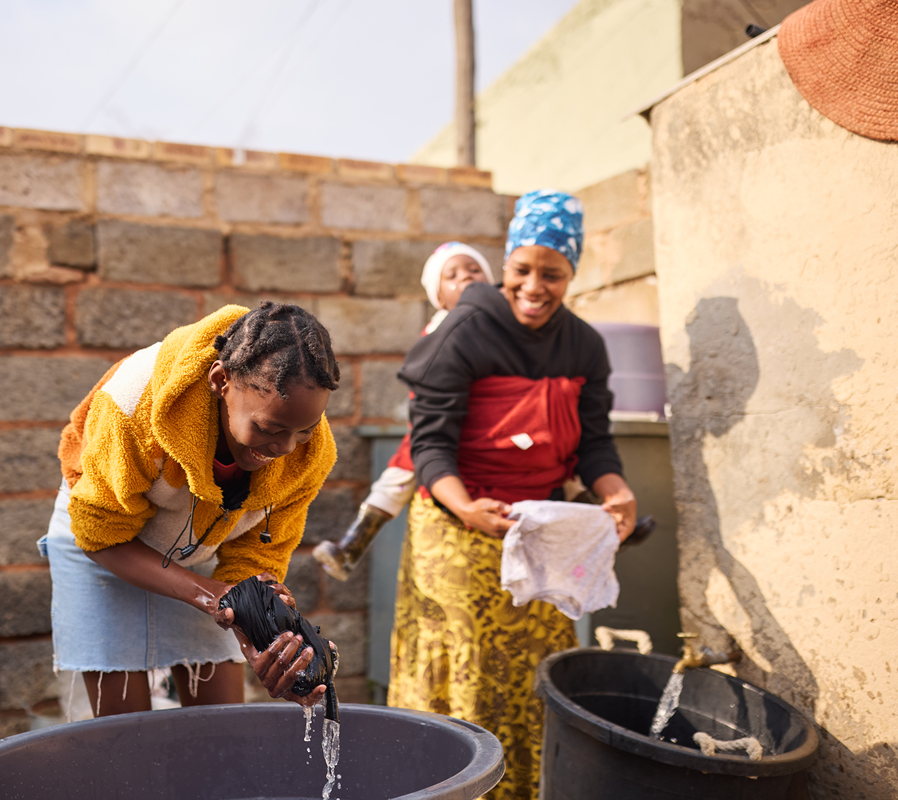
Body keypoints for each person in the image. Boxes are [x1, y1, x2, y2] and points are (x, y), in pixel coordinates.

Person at [387, 190, 637, 800]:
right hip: (457, 526)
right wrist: (466, 507)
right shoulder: (467, 328)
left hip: (537, 534)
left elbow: (593, 443)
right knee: (465, 674)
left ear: (572, 273)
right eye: (522, 270)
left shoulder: (584, 345)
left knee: (533, 678)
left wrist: (616, 489)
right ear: (505, 266)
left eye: (552, 274)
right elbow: (430, 444)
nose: (534, 286)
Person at [42, 301, 341, 717]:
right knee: (124, 731)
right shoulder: (133, 405)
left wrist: (259, 635)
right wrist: (211, 596)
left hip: (201, 548)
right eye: (269, 429)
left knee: (220, 731)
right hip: (105, 543)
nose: (285, 449)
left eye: (304, 431)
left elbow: (254, 558)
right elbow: (100, 534)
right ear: (221, 381)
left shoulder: (309, 455)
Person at [313, 242, 494, 580]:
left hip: (488, 418)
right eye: (452, 276)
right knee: (400, 472)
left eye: (474, 269)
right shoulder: (441, 329)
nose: (466, 278)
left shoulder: (502, 322)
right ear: (439, 297)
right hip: (442, 421)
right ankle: (353, 542)